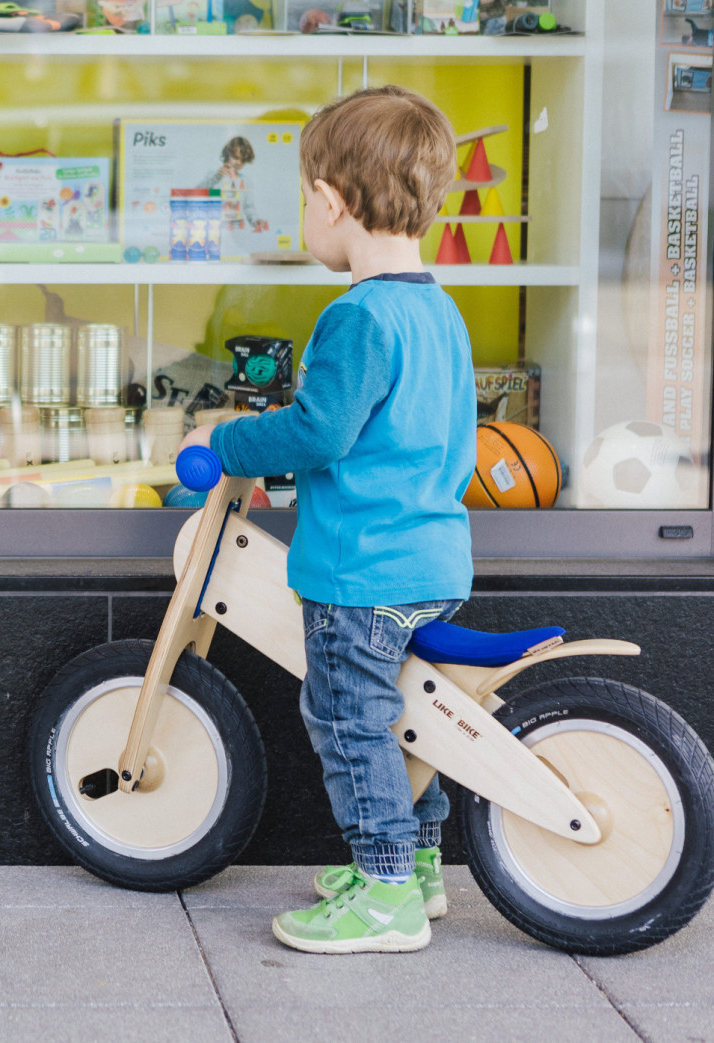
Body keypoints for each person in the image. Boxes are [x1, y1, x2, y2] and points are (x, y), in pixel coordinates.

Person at [181, 85, 476, 954]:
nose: (305, 211)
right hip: (432, 563)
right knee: (403, 717)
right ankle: (415, 865)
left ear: (334, 200)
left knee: (349, 719)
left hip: (363, 571)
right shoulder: (438, 310)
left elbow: (319, 429)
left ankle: (383, 891)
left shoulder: (356, 316)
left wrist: (227, 440)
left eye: (306, 192)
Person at [200, 136, 269, 234]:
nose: (239, 162)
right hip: (213, 228)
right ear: (227, 154)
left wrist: (255, 220)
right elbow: (198, 192)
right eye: (236, 157)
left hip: (236, 229)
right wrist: (216, 177)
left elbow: (249, 207)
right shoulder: (214, 175)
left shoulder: (246, 181)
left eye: (243, 160)